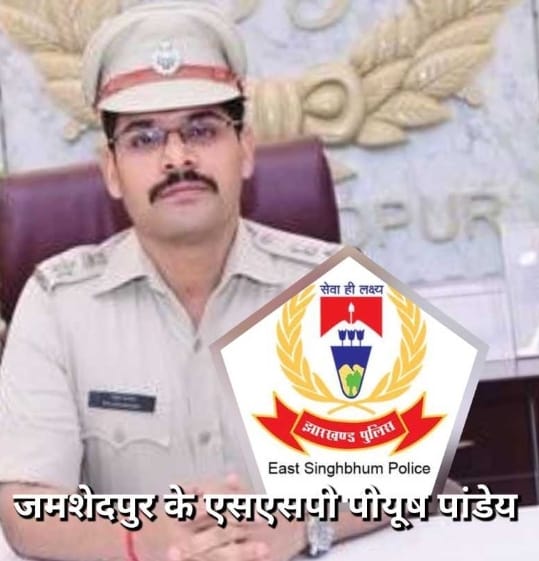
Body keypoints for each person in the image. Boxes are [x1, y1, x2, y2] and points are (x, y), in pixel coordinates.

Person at [0, 2, 392, 560]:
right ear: (111, 170)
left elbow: (415, 474)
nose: (176, 158)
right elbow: (25, 508)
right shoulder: (56, 303)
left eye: (202, 130)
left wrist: (304, 526)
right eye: (143, 138)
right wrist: (137, 539)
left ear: (245, 151)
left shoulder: (332, 285)